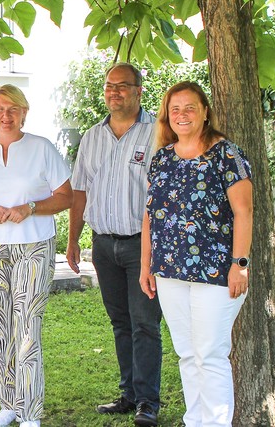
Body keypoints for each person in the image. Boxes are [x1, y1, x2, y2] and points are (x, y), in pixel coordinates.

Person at [0, 84, 72, 427]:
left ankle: (31, 412)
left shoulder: (42, 148)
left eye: (13, 109)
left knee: (27, 326)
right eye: (0, 109)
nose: (6, 115)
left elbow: (65, 197)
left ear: (24, 112)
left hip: (33, 245)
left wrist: (32, 207)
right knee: (0, 325)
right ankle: (8, 404)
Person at [140, 82, 252, 427]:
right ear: (167, 117)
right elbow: (150, 214)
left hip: (217, 272)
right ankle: (196, 421)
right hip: (169, 272)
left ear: (205, 111)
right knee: (187, 355)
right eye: (175, 109)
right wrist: (146, 265)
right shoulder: (162, 157)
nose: (182, 115)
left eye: (190, 107)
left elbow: (244, 213)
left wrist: (240, 265)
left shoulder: (226, 155)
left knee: (211, 355)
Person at [67, 63, 163, 426]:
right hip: (103, 245)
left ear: (139, 90)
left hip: (143, 247)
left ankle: (148, 402)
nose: (114, 92)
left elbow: (165, 196)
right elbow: (80, 191)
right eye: (110, 86)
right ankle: (129, 394)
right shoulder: (92, 136)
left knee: (144, 324)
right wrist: (73, 239)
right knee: (120, 322)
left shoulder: (158, 133)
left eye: (123, 86)